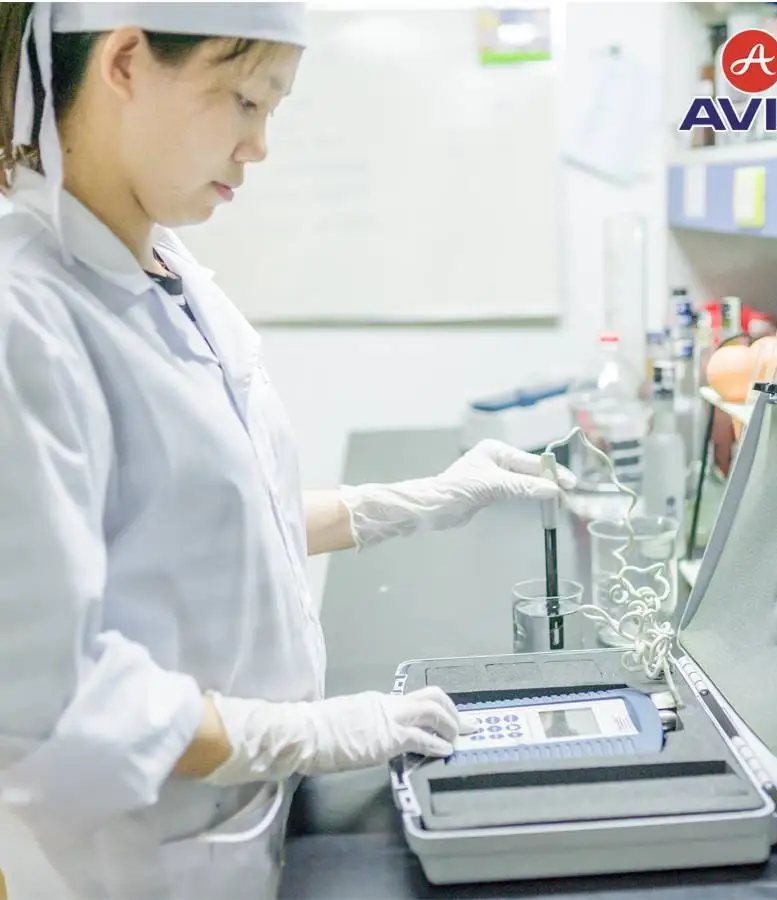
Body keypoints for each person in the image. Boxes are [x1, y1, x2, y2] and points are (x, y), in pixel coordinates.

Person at [0, 4, 575, 899]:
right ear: (125, 63)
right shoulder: (24, 318)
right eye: (244, 99)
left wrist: (410, 502)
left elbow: (197, 531)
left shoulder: (169, 273)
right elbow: (48, 705)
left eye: (273, 109)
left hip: (241, 817)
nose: (259, 145)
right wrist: (310, 733)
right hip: (140, 860)